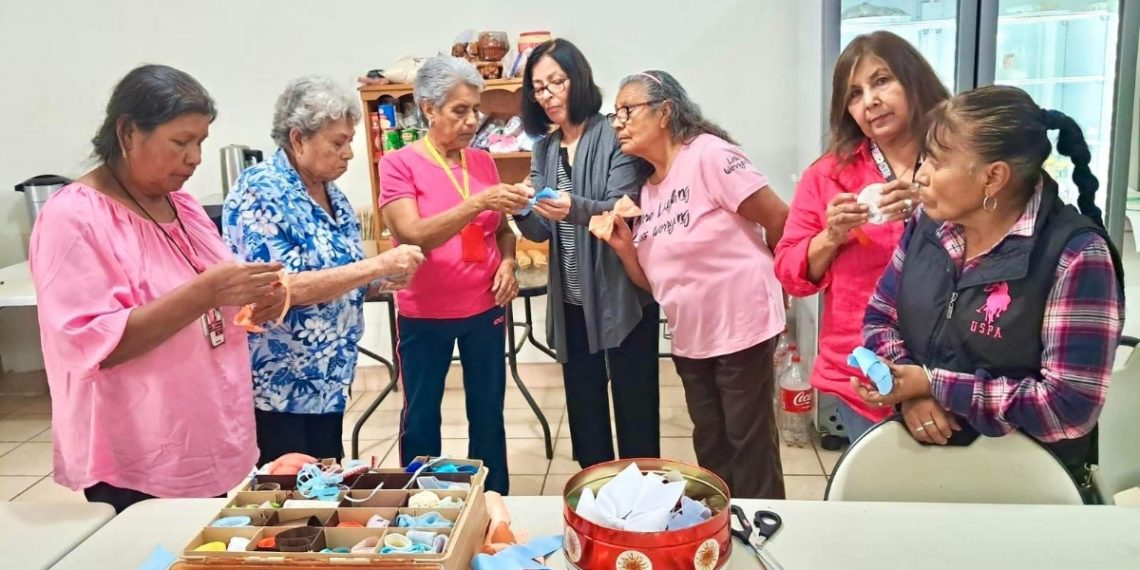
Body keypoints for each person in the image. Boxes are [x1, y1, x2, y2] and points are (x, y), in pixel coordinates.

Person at [28, 65, 284, 513]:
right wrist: (204, 293)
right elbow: (96, 347)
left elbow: (215, 292)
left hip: (202, 429)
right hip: (138, 444)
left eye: (201, 142)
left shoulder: (179, 204)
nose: (195, 158)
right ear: (128, 133)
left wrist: (254, 298)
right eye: (180, 142)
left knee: (200, 549)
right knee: (153, 555)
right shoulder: (74, 219)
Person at [857, 85, 1124, 485]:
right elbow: (880, 316)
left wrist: (936, 386)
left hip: (1027, 485)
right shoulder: (929, 225)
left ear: (993, 177)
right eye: (923, 158)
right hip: (921, 466)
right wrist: (909, 391)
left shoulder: (1077, 255)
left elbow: (1068, 408)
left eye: (937, 161)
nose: (921, 175)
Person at [600, 70, 789, 498]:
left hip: (743, 324)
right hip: (691, 338)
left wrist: (783, 285)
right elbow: (654, 284)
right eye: (616, 114)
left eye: (627, 110)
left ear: (665, 112)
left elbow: (780, 218)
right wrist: (626, 250)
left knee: (749, 442)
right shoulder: (646, 191)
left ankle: (767, 532)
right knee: (711, 444)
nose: (618, 123)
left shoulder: (709, 155)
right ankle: (723, 532)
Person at [224, 75, 424, 466]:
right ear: (298, 139)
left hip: (326, 379)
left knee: (322, 490)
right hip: (280, 385)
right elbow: (276, 291)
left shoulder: (331, 193)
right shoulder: (262, 190)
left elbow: (342, 276)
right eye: (338, 142)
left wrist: (383, 280)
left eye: (350, 141)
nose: (348, 153)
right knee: (286, 499)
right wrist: (376, 264)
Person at [773, 31, 950, 441]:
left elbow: (997, 241)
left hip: (948, 366)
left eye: (882, 80)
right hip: (865, 370)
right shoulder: (830, 175)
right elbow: (789, 272)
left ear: (914, 80)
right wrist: (831, 236)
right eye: (854, 93)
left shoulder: (957, 160)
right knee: (879, 494)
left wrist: (929, 209)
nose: (869, 100)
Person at [379, 56, 527, 494]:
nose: (471, 121)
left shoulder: (483, 162)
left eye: (475, 110)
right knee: (423, 413)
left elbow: (502, 230)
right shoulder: (398, 163)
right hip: (425, 312)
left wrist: (508, 261)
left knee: (488, 413)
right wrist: (476, 204)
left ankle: (494, 501)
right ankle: (421, 505)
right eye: (458, 111)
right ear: (428, 109)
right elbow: (412, 234)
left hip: (484, 306)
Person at [515, 39, 660, 469]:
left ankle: (641, 496)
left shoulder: (614, 132)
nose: (548, 95)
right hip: (572, 300)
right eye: (539, 88)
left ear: (578, 80)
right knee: (585, 408)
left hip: (622, 296)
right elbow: (543, 228)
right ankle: (597, 493)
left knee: (635, 406)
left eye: (556, 82)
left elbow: (622, 206)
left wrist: (571, 206)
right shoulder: (544, 147)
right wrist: (523, 210)